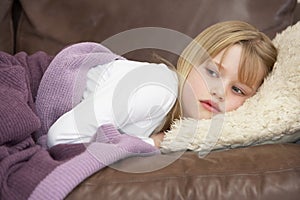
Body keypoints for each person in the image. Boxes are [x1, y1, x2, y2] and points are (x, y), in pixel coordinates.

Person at [47, 21, 277, 148]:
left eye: (237, 90)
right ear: (190, 61)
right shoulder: (157, 90)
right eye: (212, 72)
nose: (219, 92)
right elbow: (61, 137)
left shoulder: (185, 124)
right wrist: (151, 144)